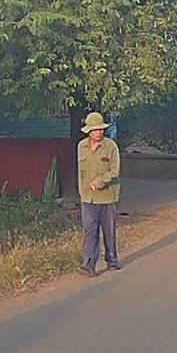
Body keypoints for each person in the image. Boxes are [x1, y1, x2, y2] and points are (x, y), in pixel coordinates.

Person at [77, 111, 121, 277]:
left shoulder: (111, 146)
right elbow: (81, 172)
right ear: (89, 131)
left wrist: (101, 181)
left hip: (107, 197)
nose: (98, 132)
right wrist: (82, 191)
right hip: (88, 198)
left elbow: (115, 171)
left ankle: (112, 260)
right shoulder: (81, 146)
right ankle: (88, 264)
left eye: (101, 129)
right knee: (90, 231)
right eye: (95, 129)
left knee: (109, 231)